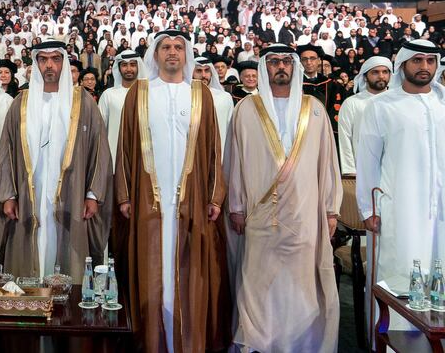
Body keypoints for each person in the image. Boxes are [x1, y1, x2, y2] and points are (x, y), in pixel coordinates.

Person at [114, 30, 231, 353]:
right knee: (151, 272)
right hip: (147, 200)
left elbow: (212, 150)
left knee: (189, 272)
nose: (172, 52)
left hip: (190, 200)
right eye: (165, 47)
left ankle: (188, 342)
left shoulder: (200, 94)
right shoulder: (138, 92)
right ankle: (151, 341)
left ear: (186, 55)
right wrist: (124, 195)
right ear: (155, 55)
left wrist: (214, 196)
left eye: (179, 47)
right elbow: (124, 148)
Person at [227, 44, 342, 352]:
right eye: (274, 61)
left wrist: (330, 210)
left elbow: (327, 163)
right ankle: (257, 341)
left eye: (287, 62)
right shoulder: (246, 109)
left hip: (304, 213)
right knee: (256, 278)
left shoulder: (314, 108)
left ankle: (302, 342)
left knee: (301, 280)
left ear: (295, 67)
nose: (281, 67)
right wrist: (236, 206)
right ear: (265, 68)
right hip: (258, 212)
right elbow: (234, 161)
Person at [0, 40, 113, 280]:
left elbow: (101, 150)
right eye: (43, 59)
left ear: (64, 63)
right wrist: (8, 194)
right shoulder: (20, 104)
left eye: (56, 59)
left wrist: (93, 195)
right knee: (30, 253)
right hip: (30, 198)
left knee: (67, 256)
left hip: (71, 193)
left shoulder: (84, 102)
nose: (50, 65)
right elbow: (5, 152)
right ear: (36, 63)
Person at [357, 39, 445, 333]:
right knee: (400, 277)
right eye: (417, 61)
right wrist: (368, 208)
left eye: (430, 61)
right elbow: (367, 160)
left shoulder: (443, 102)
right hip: (400, 208)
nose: (424, 67)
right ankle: (393, 342)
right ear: (403, 64)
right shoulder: (381, 106)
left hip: (442, 209)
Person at [337, 56, 392, 178]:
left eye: (385, 72)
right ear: (365, 77)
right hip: (362, 171)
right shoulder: (351, 103)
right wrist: (349, 170)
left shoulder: (398, 102)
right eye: (375, 72)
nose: (381, 76)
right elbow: (345, 138)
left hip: (393, 171)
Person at [97, 50, 145, 169]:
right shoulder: (108, 95)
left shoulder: (148, 95)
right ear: (118, 68)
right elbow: (99, 130)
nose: (128, 69)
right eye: (124, 65)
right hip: (114, 159)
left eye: (133, 64)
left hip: (142, 159)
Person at [297, 44, 344, 137]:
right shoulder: (295, 83)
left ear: (319, 60)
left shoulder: (330, 84)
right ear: (300, 62)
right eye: (304, 59)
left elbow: (335, 108)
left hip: (325, 130)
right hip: (301, 131)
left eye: (312, 58)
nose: (309, 62)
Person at [193, 56, 234, 145]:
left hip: (219, 150)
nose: (203, 75)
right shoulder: (185, 97)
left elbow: (230, 130)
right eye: (199, 71)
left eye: (207, 70)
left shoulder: (224, 97)